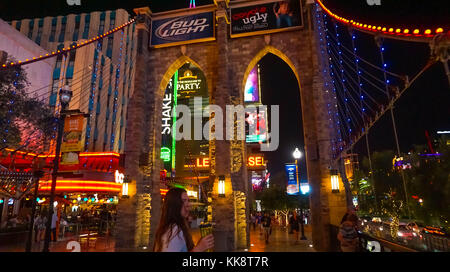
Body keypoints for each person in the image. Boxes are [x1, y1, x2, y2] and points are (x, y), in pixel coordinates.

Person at [153, 188, 214, 252]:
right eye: (183, 201)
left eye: (188, 200)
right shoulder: (174, 230)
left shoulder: (178, 226)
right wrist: (199, 248)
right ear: (174, 204)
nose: (188, 204)